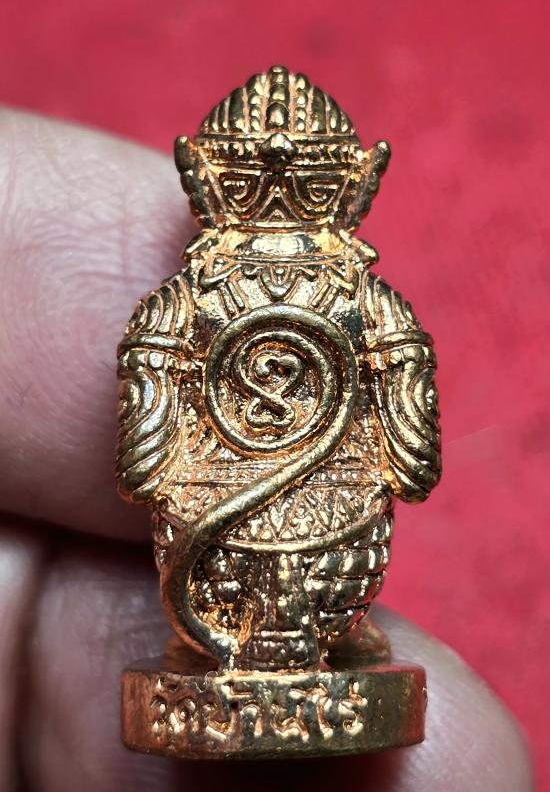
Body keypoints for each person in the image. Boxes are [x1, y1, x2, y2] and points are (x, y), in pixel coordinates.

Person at [0, 108, 532, 792]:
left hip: (265, 530)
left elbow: (141, 462)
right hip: (281, 531)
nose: (278, 152)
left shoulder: (183, 305)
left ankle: (297, 635)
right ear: (356, 184)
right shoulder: (367, 305)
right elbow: (414, 457)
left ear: (204, 181)